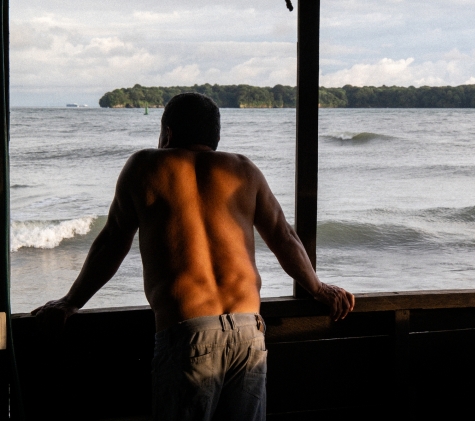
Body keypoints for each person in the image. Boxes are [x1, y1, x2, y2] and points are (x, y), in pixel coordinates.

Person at [31, 92, 355, 420]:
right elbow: (284, 238)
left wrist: (71, 301)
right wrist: (318, 289)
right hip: (248, 332)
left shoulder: (144, 166)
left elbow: (112, 242)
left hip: (188, 336)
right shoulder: (245, 170)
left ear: (168, 133)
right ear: (214, 136)